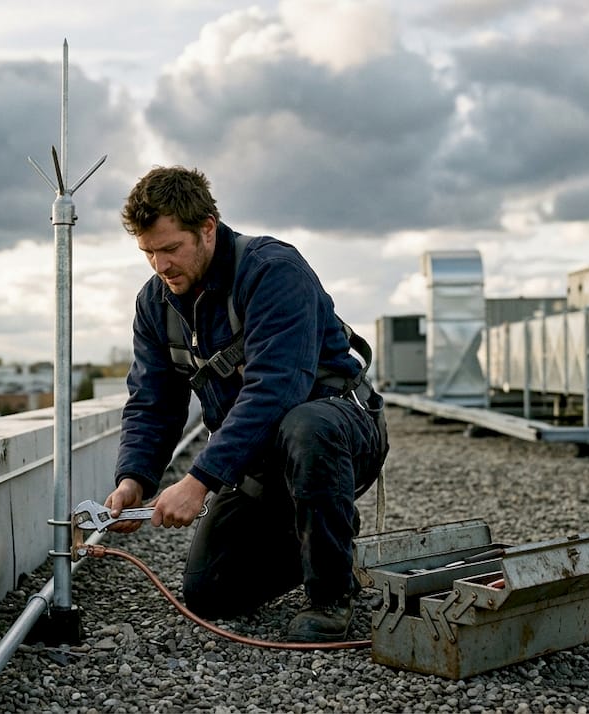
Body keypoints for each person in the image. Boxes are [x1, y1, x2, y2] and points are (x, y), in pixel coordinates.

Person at [103, 165, 388, 642]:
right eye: (148, 252)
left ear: (208, 229)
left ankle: (331, 597)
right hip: (258, 460)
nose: (160, 265)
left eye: (171, 248)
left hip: (336, 432)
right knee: (210, 593)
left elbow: (276, 389)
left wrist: (198, 481)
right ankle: (319, 535)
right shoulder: (155, 305)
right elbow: (153, 402)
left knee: (306, 425)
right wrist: (134, 478)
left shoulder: (273, 272)